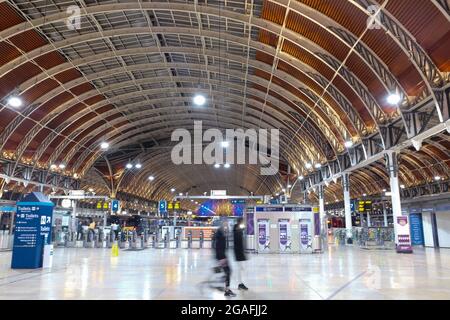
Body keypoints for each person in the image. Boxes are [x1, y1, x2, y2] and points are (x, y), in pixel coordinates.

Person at [214, 218, 236, 297]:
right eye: (226, 223)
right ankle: (226, 290)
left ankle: (225, 287)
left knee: (227, 272)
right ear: (222, 223)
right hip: (221, 256)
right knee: (228, 272)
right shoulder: (220, 232)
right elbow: (218, 246)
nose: (227, 225)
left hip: (222, 255)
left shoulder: (222, 232)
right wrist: (221, 258)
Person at [233, 218, 249, 290]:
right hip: (239, 253)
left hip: (239, 253)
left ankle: (240, 283)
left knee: (241, 269)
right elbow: (238, 242)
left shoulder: (237, 229)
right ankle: (240, 284)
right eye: (242, 222)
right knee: (241, 269)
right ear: (240, 222)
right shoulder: (237, 230)